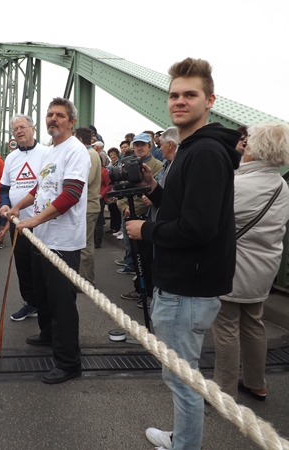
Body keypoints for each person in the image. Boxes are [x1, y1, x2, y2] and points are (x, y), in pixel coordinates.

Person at [125, 57, 242, 450]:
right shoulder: (192, 149)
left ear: (210, 100)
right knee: (181, 374)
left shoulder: (204, 152)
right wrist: (154, 190)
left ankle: (185, 445)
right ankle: (183, 438)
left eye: (190, 94)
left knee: (182, 378)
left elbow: (199, 228)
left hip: (185, 288)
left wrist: (146, 230)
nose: (179, 101)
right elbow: (186, 210)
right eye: (174, 94)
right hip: (187, 283)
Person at [5, 98, 90, 384]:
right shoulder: (51, 151)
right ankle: (47, 335)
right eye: (50, 114)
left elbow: (71, 194)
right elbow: (39, 188)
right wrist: (18, 207)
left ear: (72, 121)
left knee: (62, 303)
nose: (53, 119)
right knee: (43, 295)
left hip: (62, 242)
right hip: (43, 238)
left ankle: (69, 363)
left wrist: (35, 220)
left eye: (60, 115)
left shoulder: (76, 150)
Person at [212, 122, 289, 400]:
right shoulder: (281, 185)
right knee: (254, 323)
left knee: (226, 327)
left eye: (248, 141)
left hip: (234, 266)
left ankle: (224, 391)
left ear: (257, 148)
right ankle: (257, 383)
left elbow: (214, 223)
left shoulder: (239, 184)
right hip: (264, 268)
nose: (244, 145)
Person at [0, 114, 49, 321]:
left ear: (33, 129)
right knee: (23, 265)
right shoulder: (11, 158)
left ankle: (46, 305)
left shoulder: (46, 153)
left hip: (41, 222)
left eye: (22, 127)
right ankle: (31, 303)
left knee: (43, 267)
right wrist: (4, 203)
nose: (19, 131)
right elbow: (4, 188)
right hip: (17, 223)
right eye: (15, 129)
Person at [116, 133, 162, 275]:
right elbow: (121, 189)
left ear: (150, 146)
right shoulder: (127, 165)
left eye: (143, 145)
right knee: (129, 244)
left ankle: (143, 277)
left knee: (145, 252)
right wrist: (124, 207)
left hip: (144, 215)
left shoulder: (157, 165)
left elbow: (153, 193)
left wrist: (134, 209)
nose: (140, 148)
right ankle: (132, 267)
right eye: (137, 145)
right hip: (127, 213)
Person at [74, 127, 101, 283]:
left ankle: (85, 279)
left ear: (79, 140)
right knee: (85, 243)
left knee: (85, 244)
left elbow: (85, 181)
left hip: (88, 206)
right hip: (90, 205)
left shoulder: (89, 155)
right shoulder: (92, 153)